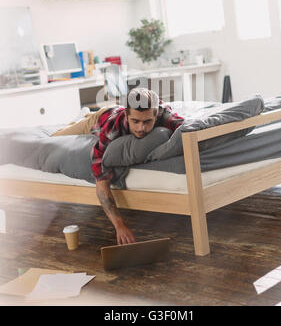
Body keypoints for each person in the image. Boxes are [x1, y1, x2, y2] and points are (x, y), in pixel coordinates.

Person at [52, 88, 184, 245]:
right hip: (99, 118)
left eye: (147, 121)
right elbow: (101, 183)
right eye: (135, 121)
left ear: (156, 114)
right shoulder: (111, 131)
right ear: (127, 116)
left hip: (116, 111)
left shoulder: (162, 113)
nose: (141, 128)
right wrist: (119, 226)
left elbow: (186, 127)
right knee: (55, 138)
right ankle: (85, 115)